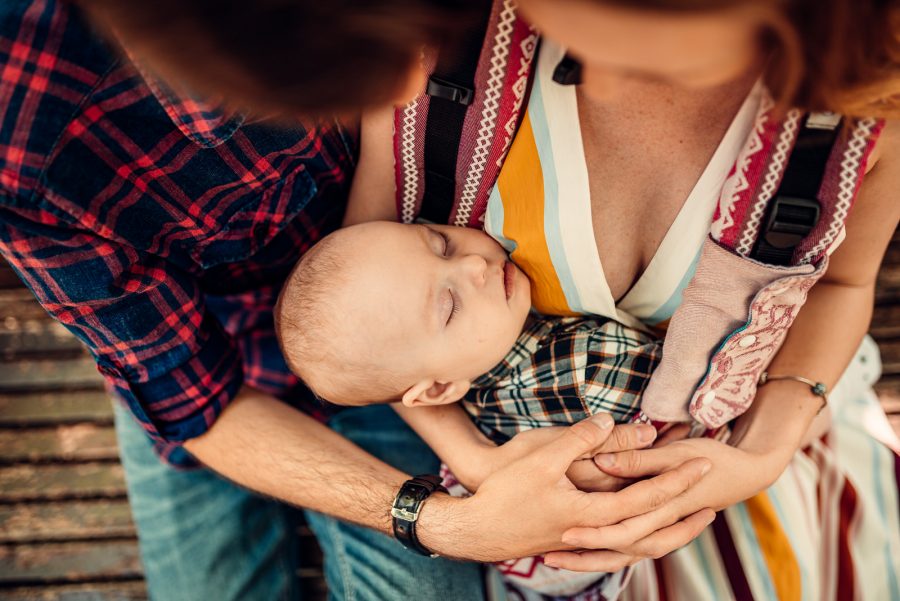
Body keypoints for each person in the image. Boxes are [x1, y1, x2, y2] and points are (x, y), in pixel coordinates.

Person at [0, 1, 715, 600]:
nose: (413, 90)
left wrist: (470, 458)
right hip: (213, 356)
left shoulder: (455, 320)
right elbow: (193, 404)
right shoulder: (24, 125)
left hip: (414, 355)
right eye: (350, 75)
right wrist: (440, 521)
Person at [330, 0, 900, 597]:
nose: (594, 82)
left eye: (638, 57)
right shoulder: (438, 45)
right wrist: (478, 462)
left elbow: (842, 283)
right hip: (514, 491)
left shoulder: (867, 111)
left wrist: (763, 453)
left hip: (765, 437)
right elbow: (368, 332)